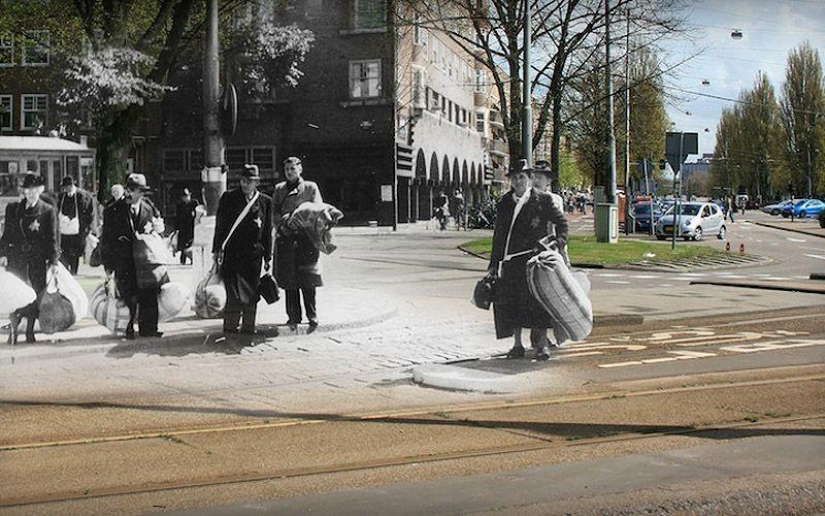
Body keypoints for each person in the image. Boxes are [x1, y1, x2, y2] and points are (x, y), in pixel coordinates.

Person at [487, 159, 569, 361]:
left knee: (537, 304)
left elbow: (562, 223)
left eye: (522, 177)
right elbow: (499, 235)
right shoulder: (505, 202)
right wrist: (493, 264)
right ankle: (517, 345)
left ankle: (541, 346)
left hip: (535, 261)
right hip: (511, 262)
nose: (518, 181)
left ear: (530, 179)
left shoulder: (542, 200)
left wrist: (557, 243)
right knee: (512, 303)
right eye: (514, 178)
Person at [101, 173, 164, 339]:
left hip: (145, 262)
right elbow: (106, 240)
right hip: (124, 260)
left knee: (149, 293)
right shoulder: (113, 210)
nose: (129, 193)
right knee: (127, 294)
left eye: (135, 191)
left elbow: (157, 231)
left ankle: (149, 328)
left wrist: (158, 229)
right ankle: (127, 327)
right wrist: (108, 267)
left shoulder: (148, 208)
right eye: (129, 189)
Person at [213, 164, 273, 337]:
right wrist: (217, 250)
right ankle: (230, 330)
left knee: (252, 295)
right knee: (232, 294)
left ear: (257, 182)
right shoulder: (229, 198)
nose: (245, 184)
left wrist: (268, 256)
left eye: (249, 181)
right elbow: (220, 226)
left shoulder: (265, 202)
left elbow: (267, 230)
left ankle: (248, 330)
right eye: (243, 180)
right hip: (232, 254)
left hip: (253, 257)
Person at [0, 173, 60, 344]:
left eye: (34, 190)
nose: (31, 193)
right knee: (15, 294)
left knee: (35, 294)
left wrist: (54, 262)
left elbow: (52, 239)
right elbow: (6, 234)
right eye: (28, 190)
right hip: (16, 259)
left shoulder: (48, 211)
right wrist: (3, 253)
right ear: (23, 191)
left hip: (37, 260)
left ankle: (29, 331)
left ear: (40, 190)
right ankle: (13, 330)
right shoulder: (14, 209)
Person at [272, 156, 323, 332]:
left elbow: (318, 210)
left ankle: (312, 315)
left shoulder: (311, 187)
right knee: (289, 281)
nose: (290, 172)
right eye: (287, 169)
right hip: (286, 239)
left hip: (307, 240)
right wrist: (284, 222)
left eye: (293, 169)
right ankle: (293, 316)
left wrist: (301, 218)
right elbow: (274, 214)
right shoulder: (279, 189)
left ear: (300, 170)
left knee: (308, 280)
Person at [529, 160, 570, 350]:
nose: (537, 180)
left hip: (551, 252)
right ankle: (538, 336)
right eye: (535, 177)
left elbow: (559, 226)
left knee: (553, 295)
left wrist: (563, 254)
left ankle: (549, 336)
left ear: (548, 181)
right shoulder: (528, 198)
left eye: (541, 178)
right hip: (533, 251)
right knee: (536, 295)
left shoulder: (555, 200)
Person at [56, 175, 95, 274]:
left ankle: (74, 272)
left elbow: (90, 214)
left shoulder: (83, 196)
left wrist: (86, 228)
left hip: (78, 232)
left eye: (67, 187)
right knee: (63, 252)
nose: (66, 190)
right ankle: (66, 272)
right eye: (64, 188)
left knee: (75, 254)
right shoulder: (61, 197)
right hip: (64, 231)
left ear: (71, 185)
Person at [175, 188, 199, 265]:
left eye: (187, 196)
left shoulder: (194, 203)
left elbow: (198, 214)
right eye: (184, 197)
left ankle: (193, 259)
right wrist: (176, 228)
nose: (185, 198)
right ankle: (182, 260)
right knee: (182, 244)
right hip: (183, 227)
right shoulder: (180, 205)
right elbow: (178, 217)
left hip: (192, 226)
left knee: (191, 243)